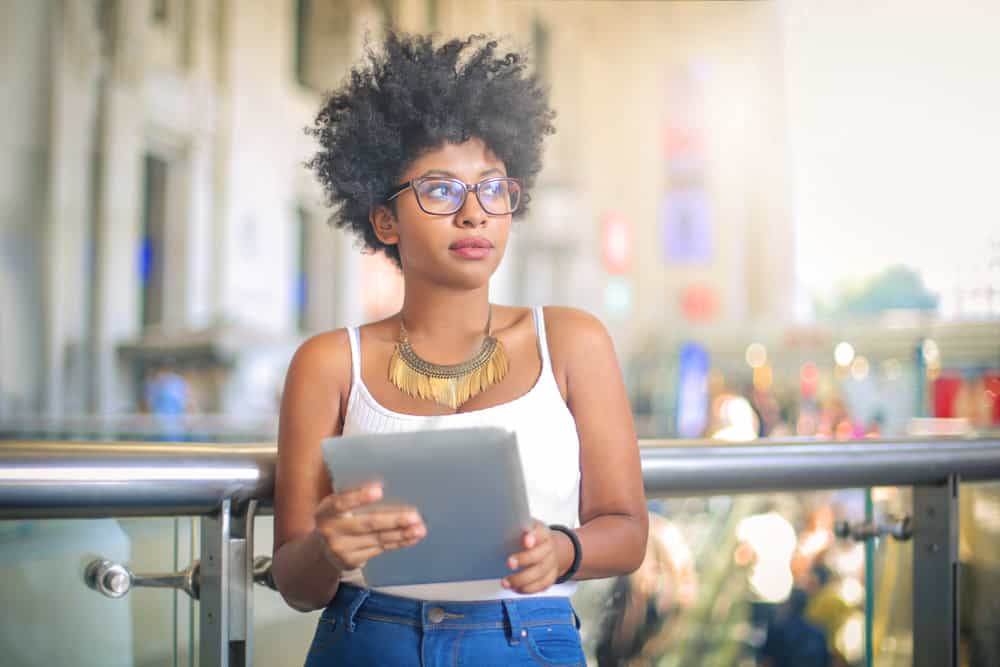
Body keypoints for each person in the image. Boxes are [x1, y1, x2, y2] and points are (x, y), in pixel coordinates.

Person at [271, 32, 648, 666]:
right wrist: (328, 551)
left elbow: (628, 530)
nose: (474, 214)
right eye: (441, 190)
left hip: (528, 640)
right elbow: (295, 583)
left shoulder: (574, 342)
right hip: (367, 639)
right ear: (385, 221)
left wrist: (563, 551)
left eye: (492, 188)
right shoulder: (329, 364)